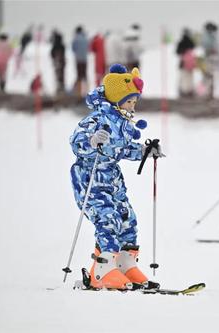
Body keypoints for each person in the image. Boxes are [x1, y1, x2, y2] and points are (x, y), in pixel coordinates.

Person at [69, 64, 164, 290]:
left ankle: (124, 264)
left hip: (112, 179)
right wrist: (91, 141)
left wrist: (143, 151)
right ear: (116, 99)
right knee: (108, 218)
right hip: (90, 178)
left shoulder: (122, 122)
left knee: (126, 218)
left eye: (134, 102)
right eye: (129, 101)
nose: (133, 106)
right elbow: (76, 141)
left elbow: (121, 149)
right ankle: (102, 270)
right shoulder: (98, 119)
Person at [176, 28, 196, 97]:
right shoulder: (191, 42)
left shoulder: (181, 42)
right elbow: (194, 48)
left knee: (183, 77)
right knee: (189, 77)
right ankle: (189, 90)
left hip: (183, 63)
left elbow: (177, 52)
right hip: (190, 63)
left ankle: (184, 91)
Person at [72, 26, 89, 95]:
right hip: (85, 59)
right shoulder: (85, 38)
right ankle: (86, 91)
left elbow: (73, 49)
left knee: (79, 76)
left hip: (78, 59)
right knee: (85, 76)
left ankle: (79, 93)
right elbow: (88, 48)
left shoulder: (75, 39)